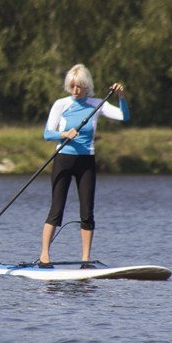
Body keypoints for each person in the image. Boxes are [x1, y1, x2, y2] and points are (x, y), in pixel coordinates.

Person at [39, 64, 130, 267]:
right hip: (63, 158)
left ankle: (85, 259)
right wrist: (64, 134)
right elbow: (47, 134)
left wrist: (121, 97)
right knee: (56, 210)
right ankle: (44, 256)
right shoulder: (61, 104)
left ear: (87, 86)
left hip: (86, 162)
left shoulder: (97, 104)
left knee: (87, 212)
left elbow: (124, 117)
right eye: (72, 86)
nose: (75, 90)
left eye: (79, 86)